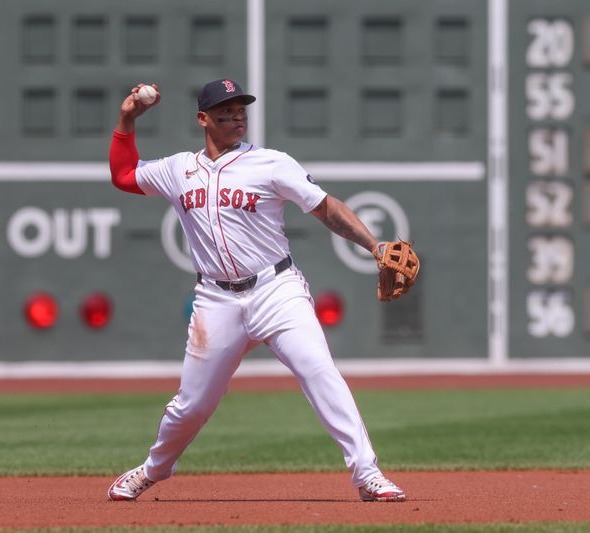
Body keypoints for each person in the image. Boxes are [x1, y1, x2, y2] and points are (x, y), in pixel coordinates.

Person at [106, 79, 406, 503]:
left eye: (241, 110)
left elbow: (326, 207)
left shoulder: (271, 163)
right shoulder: (178, 170)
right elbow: (123, 175)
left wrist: (374, 245)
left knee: (319, 371)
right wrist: (126, 120)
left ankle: (368, 474)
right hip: (216, 301)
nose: (236, 117)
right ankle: (153, 469)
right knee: (192, 406)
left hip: (275, 289)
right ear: (203, 119)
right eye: (225, 111)